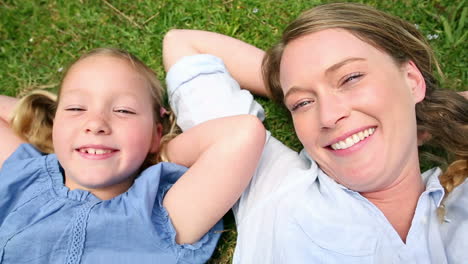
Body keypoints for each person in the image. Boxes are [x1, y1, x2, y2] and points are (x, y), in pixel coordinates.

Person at [162, 2, 467, 263]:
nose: (330, 115)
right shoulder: (272, 186)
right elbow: (184, 45)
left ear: (412, 80)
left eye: (351, 78)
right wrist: (293, 79)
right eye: (302, 103)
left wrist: (425, 111)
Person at [0, 48, 265, 263]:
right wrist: (48, 131)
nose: (96, 123)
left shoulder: (160, 217)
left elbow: (242, 134)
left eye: (124, 111)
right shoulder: (25, 178)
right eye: (76, 107)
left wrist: (156, 151)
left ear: (155, 133)